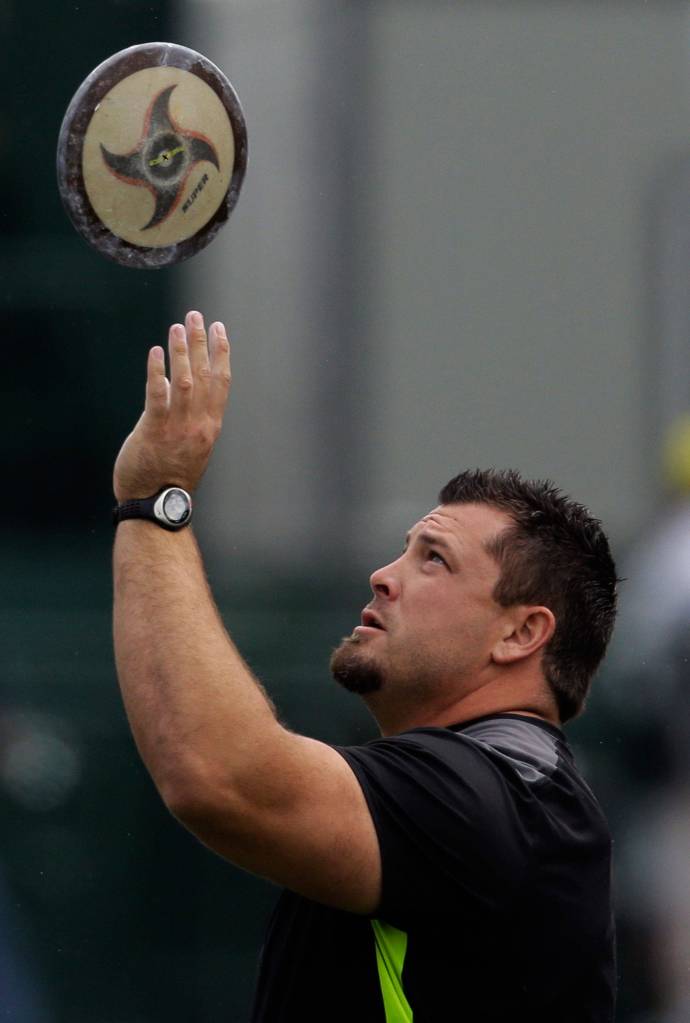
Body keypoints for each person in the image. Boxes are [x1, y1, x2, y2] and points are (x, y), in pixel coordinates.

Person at [112, 311, 619, 1022]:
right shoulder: (493, 789)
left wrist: (157, 501)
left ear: (521, 633)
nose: (384, 575)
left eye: (433, 559)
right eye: (403, 549)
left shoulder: (488, 797)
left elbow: (217, 774)